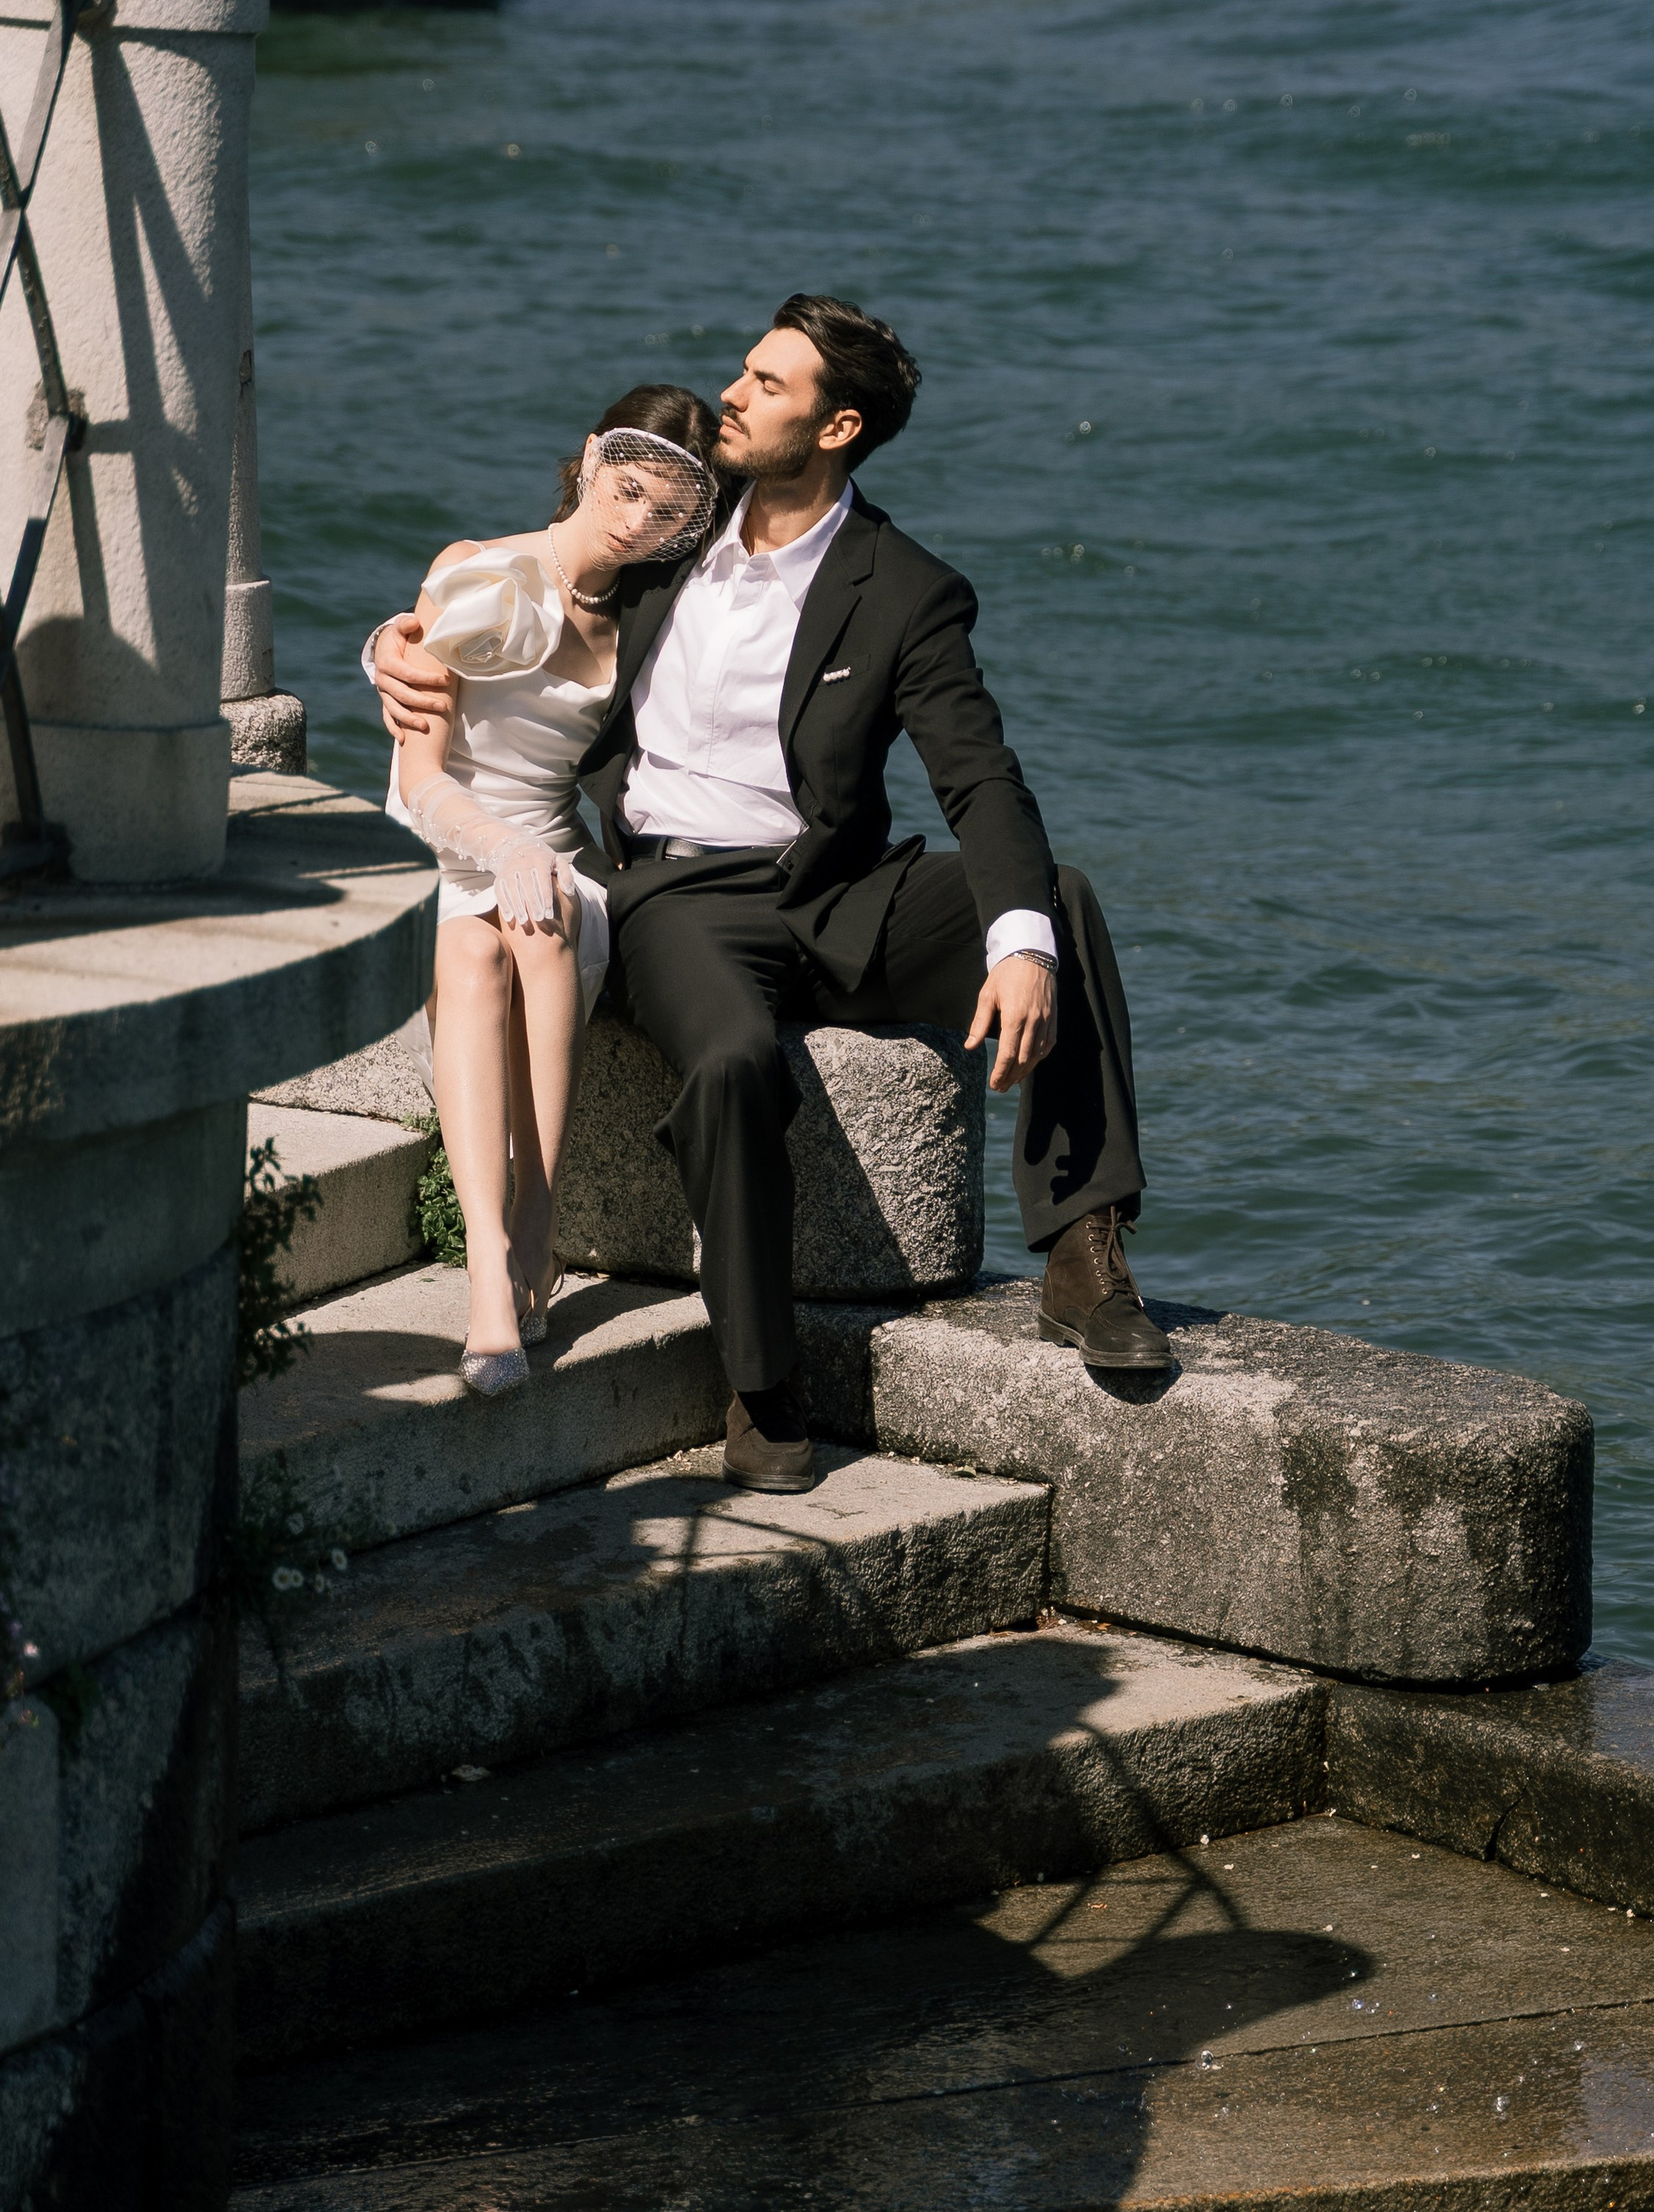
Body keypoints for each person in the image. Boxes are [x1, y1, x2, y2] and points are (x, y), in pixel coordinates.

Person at [370, 299, 1167, 1485]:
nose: (733, 395)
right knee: (736, 1057)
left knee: (1057, 899)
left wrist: (1019, 944)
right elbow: (536, 579)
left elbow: (979, 774)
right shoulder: (671, 532)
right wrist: (396, 640)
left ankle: (1084, 1250)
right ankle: (760, 1382)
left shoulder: (906, 588)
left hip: (839, 886)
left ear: (837, 426)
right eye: (744, 371)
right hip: (678, 899)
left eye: (769, 384)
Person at [383, 383, 718, 1395]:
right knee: (475, 942)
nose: (635, 523)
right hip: (443, 839)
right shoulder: (477, 573)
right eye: (625, 489)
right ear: (589, 458)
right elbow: (417, 774)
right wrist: (499, 849)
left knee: (544, 919)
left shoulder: (653, 621)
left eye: (665, 512)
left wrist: (538, 861)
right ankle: (494, 1262)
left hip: (556, 854)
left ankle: (539, 1220)